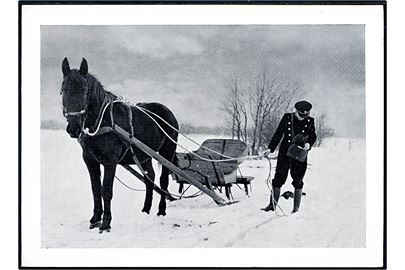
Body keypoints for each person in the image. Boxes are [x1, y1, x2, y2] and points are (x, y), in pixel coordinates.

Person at [261, 100, 317, 213]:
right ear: (297, 111)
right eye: (302, 114)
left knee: (298, 179)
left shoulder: (310, 121)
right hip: (285, 153)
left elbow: (313, 136)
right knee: (278, 178)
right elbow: (278, 133)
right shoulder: (287, 118)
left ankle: (296, 209)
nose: (304, 117)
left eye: (306, 114)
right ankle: (272, 205)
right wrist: (270, 148)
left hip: (300, 153)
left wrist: (308, 144)